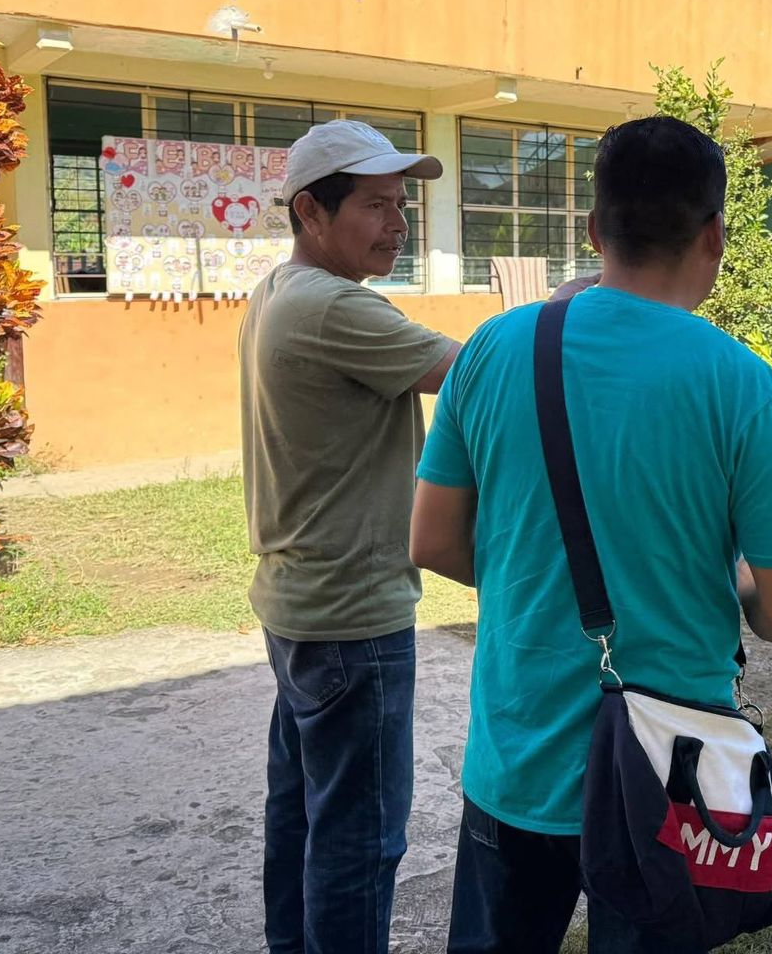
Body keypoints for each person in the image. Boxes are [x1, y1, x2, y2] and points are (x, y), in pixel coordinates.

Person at [409, 115, 772, 953]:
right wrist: (719, 580)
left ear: (596, 229)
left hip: (516, 756)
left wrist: (540, 577)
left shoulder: (492, 349)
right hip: (669, 775)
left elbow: (433, 541)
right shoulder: (742, 384)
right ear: (714, 235)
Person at [240, 119, 460, 954]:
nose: (397, 225)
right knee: (361, 839)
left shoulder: (277, 290)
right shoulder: (332, 305)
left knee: (303, 813)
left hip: (301, 602)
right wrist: (563, 319)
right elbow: (476, 373)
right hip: (352, 617)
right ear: (310, 211)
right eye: (375, 205)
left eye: (401, 205)